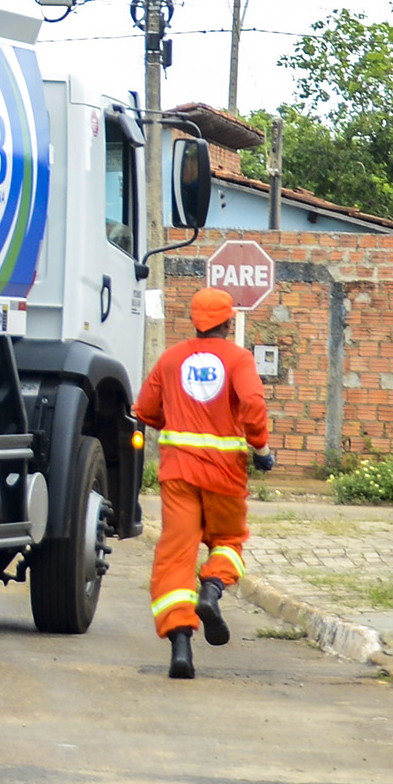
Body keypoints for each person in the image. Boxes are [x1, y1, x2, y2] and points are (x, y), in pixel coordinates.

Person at [133, 287, 272, 680]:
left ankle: (180, 645)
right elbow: (253, 404)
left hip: (178, 474)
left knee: (175, 555)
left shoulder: (171, 358)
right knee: (228, 542)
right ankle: (211, 590)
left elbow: (144, 409)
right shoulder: (238, 359)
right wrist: (260, 447)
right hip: (225, 475)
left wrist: (174, 419)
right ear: (228, 323)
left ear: (194, 321)